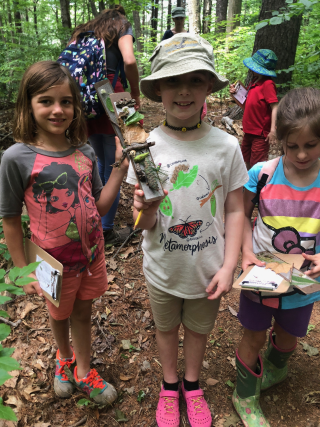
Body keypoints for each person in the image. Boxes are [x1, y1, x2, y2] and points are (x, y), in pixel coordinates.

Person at [127, 34, 248, 427]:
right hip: (162, 267)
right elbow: (143, 224)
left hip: (208, 269)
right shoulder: (144, 148)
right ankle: (168, 384)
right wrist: (143, 210)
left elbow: (234, 208)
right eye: (173, 81)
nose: (184, 91)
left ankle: (191, 386)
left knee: (198, 330)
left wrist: (229, 266)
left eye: (196, 80)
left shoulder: (226, 146)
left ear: (209, 87)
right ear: (158, 89)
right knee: (166, 327)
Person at [0, 61, 129, 404]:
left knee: (84, 311)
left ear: (76, 106)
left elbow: (100, 207)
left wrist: (119, 168)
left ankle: (84, 370)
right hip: (52, 264)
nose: (58, 110)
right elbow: (11, 219)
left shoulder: (85, 152)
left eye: (66, 102)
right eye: (46, 101)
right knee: (59, 313)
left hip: (90, 256)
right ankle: (64, 358)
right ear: (28, 105)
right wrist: (20, 269)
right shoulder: (16, 158)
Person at [233, 87, 320, 427]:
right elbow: (241, 213)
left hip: (305, 281)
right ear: (280, 139)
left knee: (289, 335)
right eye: (292, 145)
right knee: (253, 334)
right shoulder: (263, 173)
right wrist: (246, 252)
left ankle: (276, 369)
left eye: (310, 145)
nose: (300, 155)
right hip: (263, 276)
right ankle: (245, 393)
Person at [69, 5, 140, 246]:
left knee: (98, 161)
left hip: (85, 97)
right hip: (112, 94)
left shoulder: (84, 31)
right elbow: (129, 61)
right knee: (116, 162)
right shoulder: (122, 26)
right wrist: (135, 94)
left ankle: (93, 221)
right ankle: (106, 231)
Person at [230, 49, 279, 170]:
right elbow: (246, 106)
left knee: (257, 165)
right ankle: (246, 185)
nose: (250, 69)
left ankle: (256, 187)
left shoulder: (267, 84)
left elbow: (275, 107)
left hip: (260, 134)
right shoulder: (253, 82)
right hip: (248, 131)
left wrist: (273, 130)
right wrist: (234, 95)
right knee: (245, 159)